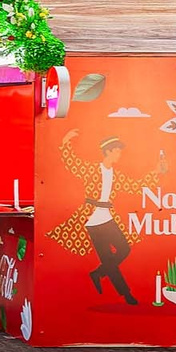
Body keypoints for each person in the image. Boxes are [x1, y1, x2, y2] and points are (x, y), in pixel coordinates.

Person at [57, 131, 165, 306]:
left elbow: (135, 186)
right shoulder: (92, 169)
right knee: (108, 260)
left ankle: (98, 273)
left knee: (124, 249)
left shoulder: (116, 174)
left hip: (107, 218)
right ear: (108, 151)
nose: (119, 154)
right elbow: (73, 164)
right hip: (92, 220)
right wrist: (65, 141)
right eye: (117, 151)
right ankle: (126, 294)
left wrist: (155, 172)